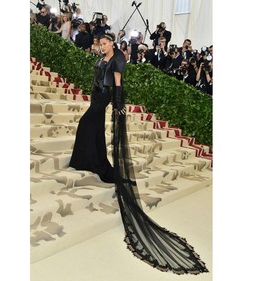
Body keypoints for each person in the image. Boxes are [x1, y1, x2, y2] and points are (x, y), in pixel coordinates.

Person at [69, 33, 208, 275]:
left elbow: (118, 83)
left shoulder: (118, 59)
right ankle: (89, 159)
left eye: (105, 43)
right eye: (100, 44)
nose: (102, 46)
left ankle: (93, 160)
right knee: (90, 130)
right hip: (95, 97)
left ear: (112, 43)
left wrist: (120, 105)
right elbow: (97, 76)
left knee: (85, 125)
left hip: (103, 100)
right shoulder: (102, 58)